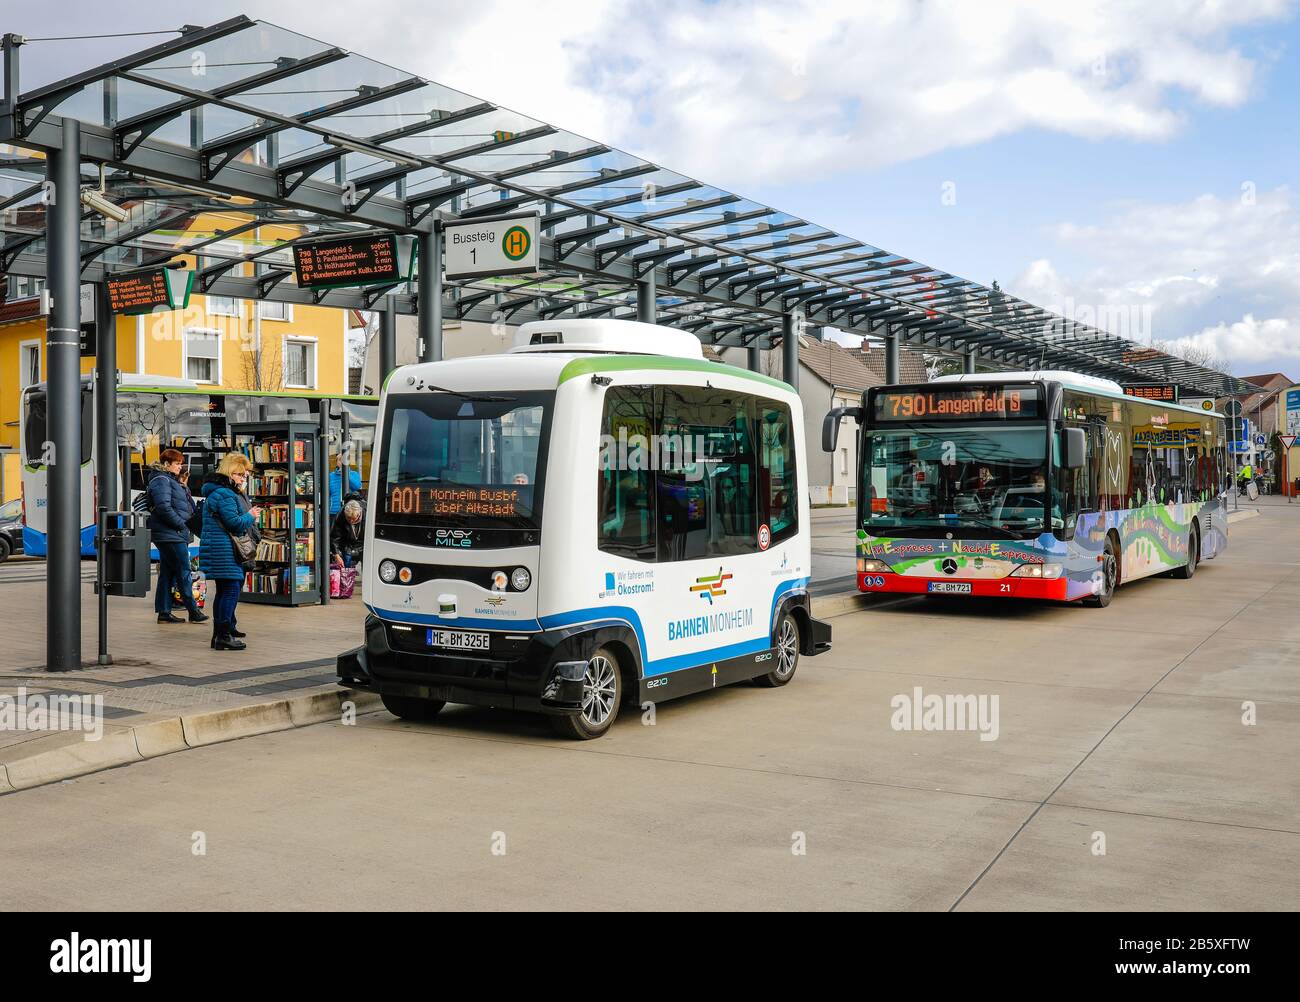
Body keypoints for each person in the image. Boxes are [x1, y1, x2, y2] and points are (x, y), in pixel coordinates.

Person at [200, 453, 262, 652]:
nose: (243, 479)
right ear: (229, 472)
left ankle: (219, 636)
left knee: (223, 592)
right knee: (231, 592)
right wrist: (251, 516)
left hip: (219, 549)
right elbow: (234, 524)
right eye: (240, 475)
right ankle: (223, 636)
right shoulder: (226, 495)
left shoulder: (216, 492)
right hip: (225, 550)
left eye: (245, 475)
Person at [148, 449, 208, 625]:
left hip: (171, 533)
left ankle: (164, 612)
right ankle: (193, 610)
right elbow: (163, 507)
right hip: (170, 534)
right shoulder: (161, 480)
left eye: (181, 463)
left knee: (168, 572)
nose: (180, 467)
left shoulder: (170, 480)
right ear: (167, 464)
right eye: (177, 463)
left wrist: (183, 485)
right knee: (184, 570)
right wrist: (181, 524)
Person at [330, 498, 365, 568]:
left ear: (359, 514)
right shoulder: (340, 516)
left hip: (364, 544)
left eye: (353, 518)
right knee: (345, 566)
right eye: (348, 518)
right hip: (348, 545)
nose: (351, 521)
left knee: (367, 567)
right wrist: (336, 555)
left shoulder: (367, 513)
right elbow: (334, 537)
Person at [328, 453, 362, 517]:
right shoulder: (331, 476)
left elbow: (357, 487)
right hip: (333, 511)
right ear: (337, 462)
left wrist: (346, 473)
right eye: (340, 460)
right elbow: (327, 493)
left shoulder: (354, 474)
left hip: (350, 512)